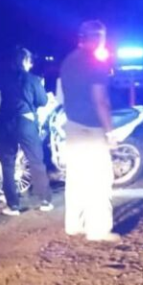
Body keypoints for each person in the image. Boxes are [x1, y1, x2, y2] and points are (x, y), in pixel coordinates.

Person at [58, 20, 120, 243]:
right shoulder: (96, 63)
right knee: (99, 180)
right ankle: (98, 230)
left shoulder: (68, 60)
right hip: (92, 130)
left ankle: (73, 225)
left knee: (76, 178)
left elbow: (62, 95)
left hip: (72, 127)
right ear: (99, 37)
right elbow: (100, 100)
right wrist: (110, 132)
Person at [0, 46, 53, 216]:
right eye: (30, 60)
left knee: (7, 163)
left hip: (5, 122)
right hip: (25, 121)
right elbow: (43, 101)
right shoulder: (32, 79)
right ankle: (44, 200)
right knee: (35, 160)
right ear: (25, 61)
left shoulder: (3, 78)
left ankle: (13, 205)